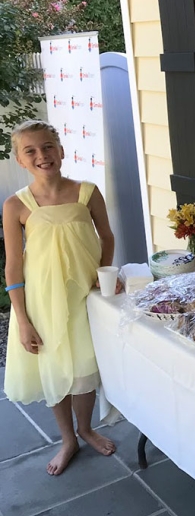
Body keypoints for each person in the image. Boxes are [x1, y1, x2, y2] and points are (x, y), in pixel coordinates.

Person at [3, 120, 118, 476]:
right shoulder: (16, 205)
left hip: (83, 298)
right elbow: (13, 266)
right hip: (42, 304)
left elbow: (107, 238)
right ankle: (67, 438)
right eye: (31, 151)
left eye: (48, 147)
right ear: (20, 160)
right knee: (54, 369)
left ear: (62, 150)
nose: (42, 155)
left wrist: (103, 277)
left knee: (84, 368)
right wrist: (22, 320)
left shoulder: (87, 192)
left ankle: (85, 427)